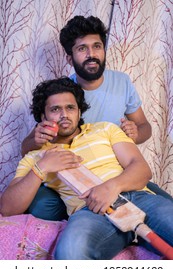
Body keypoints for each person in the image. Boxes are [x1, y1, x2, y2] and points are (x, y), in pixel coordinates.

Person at [1, 77, 173, 260]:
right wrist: (41, 167)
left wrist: (111, 187)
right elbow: (8, 208)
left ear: (79, 111)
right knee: (70, 253)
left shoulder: (105, 129)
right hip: (90, 212)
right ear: (43, 117)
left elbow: (141, 169)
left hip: (137, 198)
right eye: (55, 109)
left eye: (70, 108)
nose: (64, 115)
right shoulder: (35, 156)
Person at [21, 16, 173, 220]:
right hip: (74, 178)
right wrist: (36, 140)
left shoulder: (122, 82)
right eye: (82, 49)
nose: (91, 54)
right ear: (70, 57)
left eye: (97, 46)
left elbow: (144, 126)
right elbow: (27, 147)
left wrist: (135, 134)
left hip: (113, 171)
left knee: (166, 205)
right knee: (43, 206)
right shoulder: (62, 93)